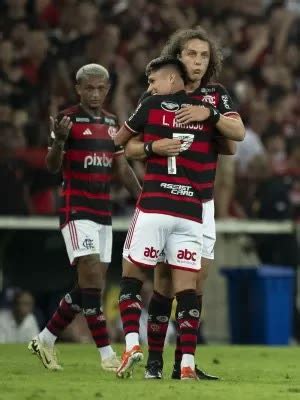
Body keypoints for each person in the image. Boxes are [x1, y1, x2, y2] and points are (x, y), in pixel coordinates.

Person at [121, 27, 245, 380]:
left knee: (193, 287)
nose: (198, 62)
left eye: (204, 56)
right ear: (178, 56)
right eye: (191, 54)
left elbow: (237, 135)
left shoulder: (215, 95)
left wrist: (211, 116)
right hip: (165, 200)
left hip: (202, 205)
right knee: (162, 284)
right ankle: (155, 363)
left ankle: (183, 363)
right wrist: (151, 149)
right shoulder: (157, 92)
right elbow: (128, 146)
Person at [28, 63, 141, 372]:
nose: (94, 93)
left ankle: (46, 338)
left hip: (102, 212)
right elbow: (52, 166)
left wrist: (144, 197)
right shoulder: (67, 120)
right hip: (76, 210)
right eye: (88, 88)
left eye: (100, 88)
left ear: (107, 89)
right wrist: (61, 141)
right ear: (78, 89)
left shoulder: (111, 122)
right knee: (90, 276)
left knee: (88, 287)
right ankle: (107, 356)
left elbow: (121, 168)